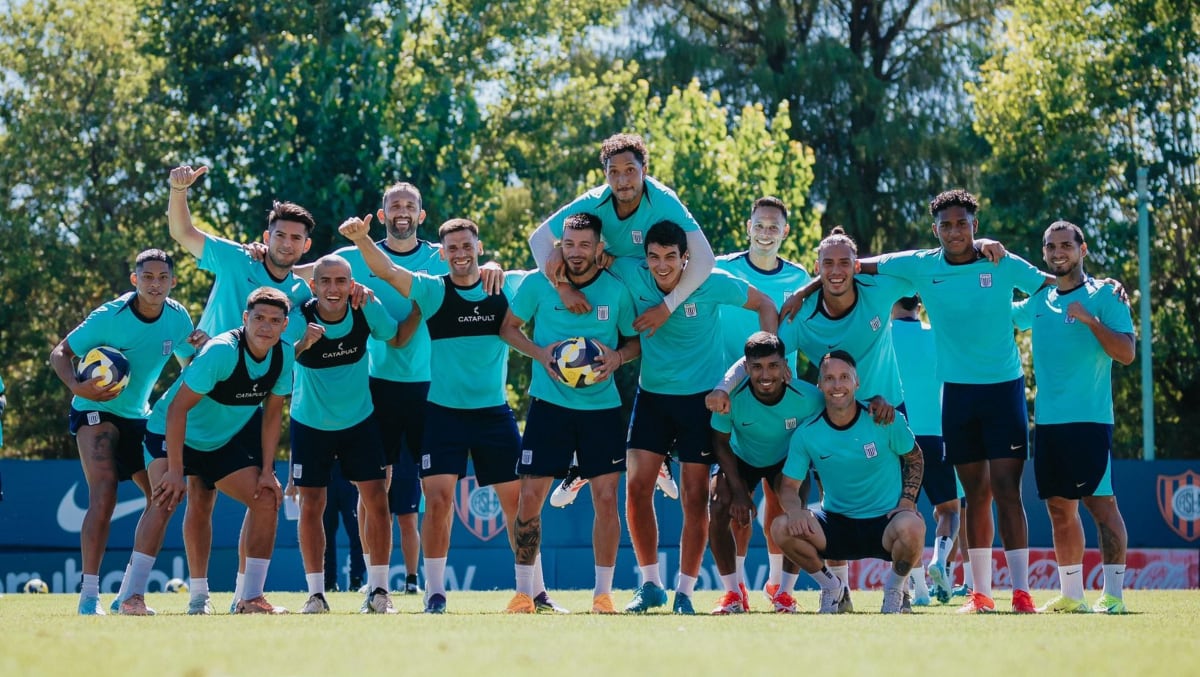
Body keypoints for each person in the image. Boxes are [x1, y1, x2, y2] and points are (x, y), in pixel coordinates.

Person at [850, 190, 1047, 614]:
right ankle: (981, 594)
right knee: (975, 496)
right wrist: (806, 289)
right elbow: (856, 265)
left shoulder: (1001, 261)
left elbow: (1052, 286)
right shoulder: (922, 265)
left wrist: (1104, 289)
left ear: (976, 225)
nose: (954, 231)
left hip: (1005, 390)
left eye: (962, 223)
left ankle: (1021, 593)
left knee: (1007, 492)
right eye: (946, 225)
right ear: (934, 229)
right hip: (956, 395)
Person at [339, 214, 528, 614]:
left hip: (494, 414)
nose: (460, 253)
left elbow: (548, 274)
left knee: (520, 505)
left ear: (479, 248)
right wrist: (362, 239)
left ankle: (532, 591)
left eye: (467, 246)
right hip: (444, 415)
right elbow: (387, 270)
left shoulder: (506, 285)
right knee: (438, 502)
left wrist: (597, 254)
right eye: (452, 248)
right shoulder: (432, 290)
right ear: (442, 254)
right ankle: (435, 593)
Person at [166, 164, 316, 612]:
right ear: (266, 236)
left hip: (250, 406)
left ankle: (246, 595)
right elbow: (183, 232)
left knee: (263, 497)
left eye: (295, 238)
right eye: (280, 235)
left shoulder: (301, 294)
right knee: (200, 497)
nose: (286, 243)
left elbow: (289, 353)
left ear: (305, 246)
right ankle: (198, 596)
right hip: (206, 395)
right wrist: (178, 191)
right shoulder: (236, 258)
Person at [609, 219, 778, 614]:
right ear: (645, 258)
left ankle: (684, 592)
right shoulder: (632, 274)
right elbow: (582, 257)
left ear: (686, 257)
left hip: (700, 403)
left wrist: (769, 356)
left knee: (695, 497)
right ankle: (650, 585)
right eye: (654, 257)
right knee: (636, 488)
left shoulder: (712, 280)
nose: (661, 265)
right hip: (652, 398)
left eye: (671, 257)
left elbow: (766, 305)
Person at [499, 213, 641, 614]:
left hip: (601, 409)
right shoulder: (537, 283)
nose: (576, 252)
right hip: (549, 406)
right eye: (569, 244)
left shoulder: (616, 290)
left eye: (584, 245)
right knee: (530, 498)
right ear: (559, 245)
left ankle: (603, 596)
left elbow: (636, 342)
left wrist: (617, 357)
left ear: (599, 248)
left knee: (606, 499)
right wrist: (541, 353)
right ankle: (524, 594)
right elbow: (508, 328)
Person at [48, 249, 200, 615]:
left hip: (140, 417)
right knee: (104, 493)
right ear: (135, 279)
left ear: (173, 281)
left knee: (162, 498)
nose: (155, 284)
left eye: (162, 277)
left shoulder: (178, 318)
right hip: (94, 410)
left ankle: (128, 593)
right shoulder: (109, 316)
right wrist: (77, 386)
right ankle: (89, 597)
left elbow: (190, 361)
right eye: (147, 277)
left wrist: (205, 350)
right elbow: (60, 353)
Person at [145, 287, 295, 614]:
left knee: (266, 498)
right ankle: (137, 597)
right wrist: (175, 470)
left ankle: (249, 598)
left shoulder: (284, 355)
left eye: (274, 320)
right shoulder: (221, 351)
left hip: (220, 439)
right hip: (177, 432)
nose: (265, 326)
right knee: (167, 500)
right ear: (245, 318)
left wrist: (267, 470)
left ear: (285, 325)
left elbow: (273, 416)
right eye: (259, 318)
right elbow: (177, 410)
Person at [1012, 221, 1135, 614]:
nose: (1058, 252)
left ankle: (1113, 596)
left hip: (1089, 422)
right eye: (1051, 246)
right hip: (1048, 424)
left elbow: (1127, 353)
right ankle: (1072, 596)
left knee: (1101, 506)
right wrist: (982, 256)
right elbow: (1001, 313)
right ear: (1044, 253)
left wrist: (1091, 322)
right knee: (1058, 508)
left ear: (1083, 249)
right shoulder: (1040, 299)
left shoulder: (1106, 295)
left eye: (1066, 245)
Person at [288, 255, 407, 615]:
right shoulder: (299, 316)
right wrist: (302, 344)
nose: (333, 288)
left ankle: (379, 592)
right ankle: (315, 595)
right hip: (310, 423)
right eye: (325, 281)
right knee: (311, 506)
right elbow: (275, 358)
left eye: (341, 281)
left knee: (378, 502)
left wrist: (372, 299)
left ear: (351, 284)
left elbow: (392, 334)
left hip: (360, 421)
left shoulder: (364, 307)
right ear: (313, 285)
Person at [771, 351, 926, 614]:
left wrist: (907, 501)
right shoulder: (807, 433)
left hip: (885, 523)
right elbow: (788, 486)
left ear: (857, 382)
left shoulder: (884, 418)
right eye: (829, 378)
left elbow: (915, 457)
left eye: (844, 377)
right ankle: (831, 586)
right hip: (836, 524)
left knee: (913, 525)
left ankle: (895, 591)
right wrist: (795, 510)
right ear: (820, 384)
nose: (837, 385)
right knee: (781, 527)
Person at [714, 196, 812, 604]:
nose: (766, 233)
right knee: (731, 505)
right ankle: (735, 590)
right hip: (731, 402)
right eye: (760, 225)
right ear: (748, 227)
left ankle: (779, 588)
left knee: (783, 503)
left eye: (774, 227)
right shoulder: (722, 268)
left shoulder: (799, 276)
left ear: (785, 232)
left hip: (782, 404)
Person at [528, 132, 715, 335]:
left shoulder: (665, 201)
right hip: (615, 289)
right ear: (605, 174)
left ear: (644, 170)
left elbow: (705, 258)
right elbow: (539, 239)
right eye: (614, 172)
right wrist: (562, 286)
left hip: (658, 290)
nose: (622, 180)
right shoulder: (594, 201)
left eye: (630, 170)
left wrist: (666, 307)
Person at [708, 332, 823, 614]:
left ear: (785, 366)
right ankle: (733, 594)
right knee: (719, 505)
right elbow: (720, 443)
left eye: (773, 366)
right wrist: (739, 493)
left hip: (785, 461)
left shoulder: (809, 397)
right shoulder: (730, 398)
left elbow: (841, 413)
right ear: (746, 368)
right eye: (757, 367)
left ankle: (784, 594)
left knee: (796, 511)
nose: (766, 375)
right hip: (740, 458)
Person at [890, 295, 963, 605]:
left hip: (897, 435)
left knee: (904, 513)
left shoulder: (881, 337)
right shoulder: (938, 335)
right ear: (918, 306)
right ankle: (940, 558)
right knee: (949, 510)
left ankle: (919, 588)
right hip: (936, 435)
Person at [322, 463, 365, 592]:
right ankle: (329, 581)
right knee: (325, 533)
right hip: (327, 472)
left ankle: (356, 580)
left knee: (357, 531)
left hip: (349, 472)